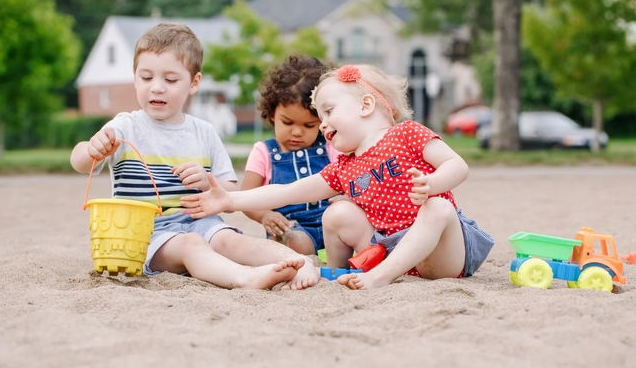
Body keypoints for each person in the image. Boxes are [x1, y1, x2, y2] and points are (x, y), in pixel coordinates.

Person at [181, 63, 494, 290]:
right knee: (337, 212)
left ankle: (380, 277)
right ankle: (336, 272)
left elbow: (458, 165)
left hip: (442, 254)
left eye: (329, 111)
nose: (323, 125)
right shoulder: (344, 166)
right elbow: (290, 191)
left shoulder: (408, 134)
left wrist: (433, 184)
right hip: (394, 251)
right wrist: (230, 199)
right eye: (321, 117)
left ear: (366, 105)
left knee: (438, 207)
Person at [70, 23, 319, 290]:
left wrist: (206, 181)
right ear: (135, 78)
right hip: (147, 236)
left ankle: (299, 262)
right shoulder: (124, 127)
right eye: (146, 78)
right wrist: (91, 148)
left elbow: (230, 192)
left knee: (229, 240)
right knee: (191, 245)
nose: (157, 88)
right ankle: (244, 277)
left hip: (202, 222)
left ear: (194, 83)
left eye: (170, 79)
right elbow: (80, 162)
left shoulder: (204, 132)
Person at [241, 55, 339, 256]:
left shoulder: (331, 146)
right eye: (287, 123)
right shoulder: (264, 152)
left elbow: (350, 181)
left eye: (308, 125)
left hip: (332, 223)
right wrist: (264, 215)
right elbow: (246, 197)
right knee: (293, 241)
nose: (296, 132)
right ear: (271, 115)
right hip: (290, 227)